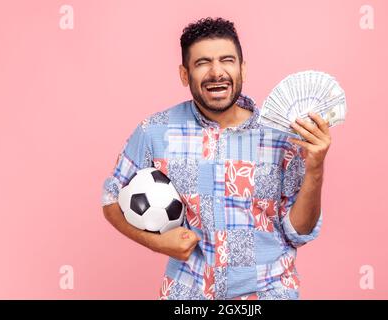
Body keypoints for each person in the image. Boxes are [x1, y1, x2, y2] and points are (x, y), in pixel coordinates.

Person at [101, 17, 330, 300]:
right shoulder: (155, 131)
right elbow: (111, 199)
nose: (216, 72)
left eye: (227, 60)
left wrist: (316, 167)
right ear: (185, 74)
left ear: (242, 68)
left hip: (268, 292)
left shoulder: (282, 136)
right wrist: (158, 243)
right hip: (188, 294)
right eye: (202, 63)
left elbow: (299, 232)